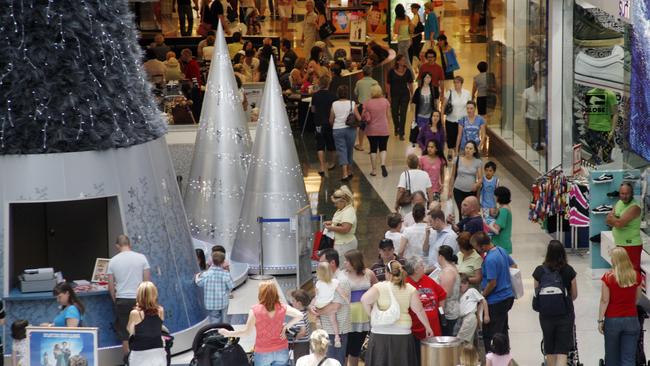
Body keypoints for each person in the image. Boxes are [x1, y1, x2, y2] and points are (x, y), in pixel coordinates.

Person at [360, 260, 432, 365]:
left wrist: (372, 315)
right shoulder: (410, 289)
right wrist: (428, 327)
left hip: (380, 333)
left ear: (388, 273)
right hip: (402, 334)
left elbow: (364, 300)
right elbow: (419, 310)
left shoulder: (379, 287)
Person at [219, 281, 304, 365]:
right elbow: (300, 315)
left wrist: (228, 333)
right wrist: (286, 326)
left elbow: (246, 332)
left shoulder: (255, 310)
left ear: (261, 294)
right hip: (281, 350)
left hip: (263, 351)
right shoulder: (282, 307)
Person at [532, 240, 578, 366]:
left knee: (549, 348)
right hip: (565, 314)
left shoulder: (539, 271)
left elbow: (537, 294)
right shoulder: (569, 270)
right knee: (562, 350)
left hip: (546, 316)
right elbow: (574, 295)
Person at [107, 234, 151, 354]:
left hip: (122, 300)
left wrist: (115, 300)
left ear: (117, 246)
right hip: (139, 299)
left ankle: (128, 361)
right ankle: (142, 358)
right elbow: (147, 281)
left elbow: (110, 286)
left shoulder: (112, 261)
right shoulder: (142, 258)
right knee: (141, 329)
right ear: (129, 244)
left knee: (125, 334)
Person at [598, 247, 642, 366]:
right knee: (628, 359)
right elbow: (637, 299)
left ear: (614, 260)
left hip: (612, 320)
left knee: (612, 359)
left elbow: (604, 300)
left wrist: (600, 320)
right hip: (631, 319)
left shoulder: (607, 277)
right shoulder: (636, 276)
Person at [475, 231, 516, 353]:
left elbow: (492, 283)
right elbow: (514, 265)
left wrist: (482, 296)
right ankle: (504, 356)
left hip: (496, 301)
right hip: (507, 297)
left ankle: (493, 358)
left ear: (482, 246)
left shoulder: (490, 259)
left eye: (477, 247)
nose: (476, 250)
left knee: (491, 334)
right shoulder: (501, 250)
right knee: (502, 330)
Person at [314, 249, 352, 364]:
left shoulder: (341, 280)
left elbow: (335, 306)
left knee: (334, 362)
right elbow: (316, 297)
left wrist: (318, 312)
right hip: (325, 329)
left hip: (337, 331)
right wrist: (312, 306)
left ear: (332, 263)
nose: (319, 265)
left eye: (322, 262)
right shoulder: (323, 279)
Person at [343, 250, 377, 366]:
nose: (345, 263)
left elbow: (377, 288)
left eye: (347, 260)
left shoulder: (369, 273)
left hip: (364, 314)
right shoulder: (341, 275)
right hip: (347, 314)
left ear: (355, 261)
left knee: (356, 349)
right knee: (345, 349)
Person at [405, 255, 447, 348]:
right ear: (415, 269)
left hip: (434, 328)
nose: (423, 266)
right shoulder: (405, 284)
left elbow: (442, 295)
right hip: (415, 331)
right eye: (421, 265)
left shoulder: (427, 279)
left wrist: (441, 313)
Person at [126, 282, 166, 365]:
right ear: (154, 294)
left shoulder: (135, 313)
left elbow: (130, 330)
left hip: (140, 353)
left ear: (139, 295)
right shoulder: (160, 310)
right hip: (158, 352)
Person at [607, 182, 643, 273]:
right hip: (619, 244)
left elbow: (619, 224)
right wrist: (617, 220)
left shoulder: (635, 207)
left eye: (627, 193)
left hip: (631, 245)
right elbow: (607, 220)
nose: (624, 196)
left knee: (632, 274)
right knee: (619, 274)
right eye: (622, 193)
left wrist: (615, 220)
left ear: (632, 194)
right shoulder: (619, 202)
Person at [330, 85, 361, 181]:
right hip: (350, 130)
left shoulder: (334, 104)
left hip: (338, 129)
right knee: (349, 150)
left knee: (342, 150)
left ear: (337, 94)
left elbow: (331, 119)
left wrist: (333, 127)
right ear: (347, 94)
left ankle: (344, 174)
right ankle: (350, 170)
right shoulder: (352, 103)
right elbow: (359, 118)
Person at [313, 262, 348, 348]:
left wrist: (313, 305)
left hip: (319, 304)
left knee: (316, 313)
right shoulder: (335, 282)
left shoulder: (318, 283)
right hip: (328, 303)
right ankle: (337, 337)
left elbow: (316, 295)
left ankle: (319, 324)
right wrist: (347, 300)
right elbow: (342, 293)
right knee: (333, 320)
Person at [195, 251, 234, 324]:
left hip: (211, 303)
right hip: (223, 301)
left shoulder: (206, 274)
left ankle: (216, 332)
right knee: (224, 319)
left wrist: (197, 277)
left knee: (214, 320)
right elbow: (231, 286)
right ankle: (224, 331)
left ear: (212, 261)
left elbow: (199, 283)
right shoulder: (226, 274)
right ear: (223, 262)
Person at [361, 84, 391, 177]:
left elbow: (362, 116)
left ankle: (374, 170)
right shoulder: (385, 101)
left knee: (373, 149)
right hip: (384, 128)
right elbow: (388, 115)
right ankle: (382, 164)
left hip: (371, 129)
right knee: (383, 148)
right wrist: (388, 124)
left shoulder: (367, 102)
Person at [311, 74, 338, 176]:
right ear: (328, 84)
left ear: (319, 84)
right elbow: (335, 110)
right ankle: (332, 163)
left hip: (318, 123)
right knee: (331, 144)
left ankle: (322, 166)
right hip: (330, 123)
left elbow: (313, 110)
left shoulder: (315, 95)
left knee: (320, 145)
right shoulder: (333, 96)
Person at [441, 75, 472, 161]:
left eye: (457, 82)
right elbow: (443, 106)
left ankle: (457, 154)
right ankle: (451, 152)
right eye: (454, 82)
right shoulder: (450, 92)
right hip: (451, 119)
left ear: (462, 83)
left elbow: (470, 106)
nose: (456, 84)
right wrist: (441, 118)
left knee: (461, 137)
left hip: (462, 120)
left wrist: (471, 118)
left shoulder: (467, 93)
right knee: (451, 137)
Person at [448, 141, 483, 214]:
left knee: (470, 213)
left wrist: (476, 185)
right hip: (458, 190)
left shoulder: (478, 162)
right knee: (462, 212)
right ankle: (461, 225)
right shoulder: (457, 159)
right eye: (466, 148)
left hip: (471, 192)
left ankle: (468, 225)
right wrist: (450, 190)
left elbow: (480, 178)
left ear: (474, 151)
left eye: (470, 148)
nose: (468, 150)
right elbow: (452, 176)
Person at [386, 54, 414, 140]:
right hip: (394, 95)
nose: (404, 61)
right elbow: (388, 84)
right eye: (402, 60)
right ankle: (396, 127)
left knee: (403, 114)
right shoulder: (391, 71)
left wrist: (412, 94)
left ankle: (401, 133)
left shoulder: (408, 71)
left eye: (404, 60)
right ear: (398, 61)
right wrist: (388, 95)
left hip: (405, 95)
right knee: (394, 112)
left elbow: (410, 83)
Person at [324, 185, 357, 254]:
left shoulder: (348, 212)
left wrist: (331, 227)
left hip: (344, 245)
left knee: (342, 264)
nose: (335, 205)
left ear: (343, 201)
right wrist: (332, 223)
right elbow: (341, 222)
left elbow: (345, 229)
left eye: (336, 203)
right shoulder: (342, 209)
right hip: (341, 243)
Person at [457, 273, 489, 344]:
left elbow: (483, 301)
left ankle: (462, 354)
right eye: (460, 284)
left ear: (467, 283)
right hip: (464, 319)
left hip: (470, 318)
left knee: (460, 341)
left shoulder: (471, 291)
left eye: (464, 283)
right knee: (468, 343)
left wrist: (486, 315)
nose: (461, 286)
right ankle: (470, 354)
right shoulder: (459, 295)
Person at [436, 245, 460, 335]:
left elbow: (444, 295)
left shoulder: (448, 272)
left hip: (448, 313)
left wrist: (440, 315)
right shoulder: (448, 269)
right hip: (449, 310)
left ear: (441, 257)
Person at [354, 66, 380, 151]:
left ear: (363, 73)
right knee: (373, 125)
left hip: (362, 106)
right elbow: (378, 93)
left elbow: (356, 93)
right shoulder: (375, 82)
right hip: (373, 105)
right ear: (371, 73)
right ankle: (373, 146)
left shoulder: (359, 82)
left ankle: (361, 145)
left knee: (362, 126)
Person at [411, 72, 438, 144]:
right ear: (423, 79)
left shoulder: (434, 89)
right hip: (420, 116)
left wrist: (437, 114)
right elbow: (413, 103)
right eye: (426, 77)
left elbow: (436, 102)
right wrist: (414, 117)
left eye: (429, 77)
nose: (428, 79)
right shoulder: (418, 90)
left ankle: (426, 152)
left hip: (430, 117)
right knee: (423, 135)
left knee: (429, 136)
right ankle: (424, 151)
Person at [522, 73, 547, 151]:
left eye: (542, 80)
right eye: (539, 80)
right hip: (531, 118)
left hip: (543, 118)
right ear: (534, 81)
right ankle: (535, 155)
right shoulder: (527, 91)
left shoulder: (546, 90)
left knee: (543, 140)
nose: (541, 82)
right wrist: (523, 117)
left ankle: (542, 157)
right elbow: (523, 106)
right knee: (535, 141)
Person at [288, 289, 312, 360]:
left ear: (298, 303)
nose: (291, 303)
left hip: (300, 344)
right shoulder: (304, 311)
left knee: (299, 362)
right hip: (305, 343)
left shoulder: (299, 315)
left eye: (293, 301)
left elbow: (303, 332)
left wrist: (293, 339)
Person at [489, 186, 513, 254]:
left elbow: (496, 229)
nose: (494, 197)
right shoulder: (505, 208)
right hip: (502, 243)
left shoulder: (503, 210)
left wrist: (488, 225)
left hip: (500, 244)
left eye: (495, 196)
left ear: (499, 197)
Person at [393, 4, 412, 71]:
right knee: (402, 59)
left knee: (405, 60)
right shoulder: (407, 17)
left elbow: (396, 31)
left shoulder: (397, 20)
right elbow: (410, 29)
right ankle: (400, 73)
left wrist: (394, 26)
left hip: (401, 42)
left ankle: (411, 76)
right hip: (408, 40)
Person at [408, 4, 424, 68]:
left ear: (416, 9)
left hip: (415, 37)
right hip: (417, 36)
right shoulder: (417, 16)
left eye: (412, 8)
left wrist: (410, 37)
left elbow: (412, 28)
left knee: (415, 53)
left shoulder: (415, 17)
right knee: (415, 52)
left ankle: (418, 66)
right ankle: (417, 66)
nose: (411, 10)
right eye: (411, 8)